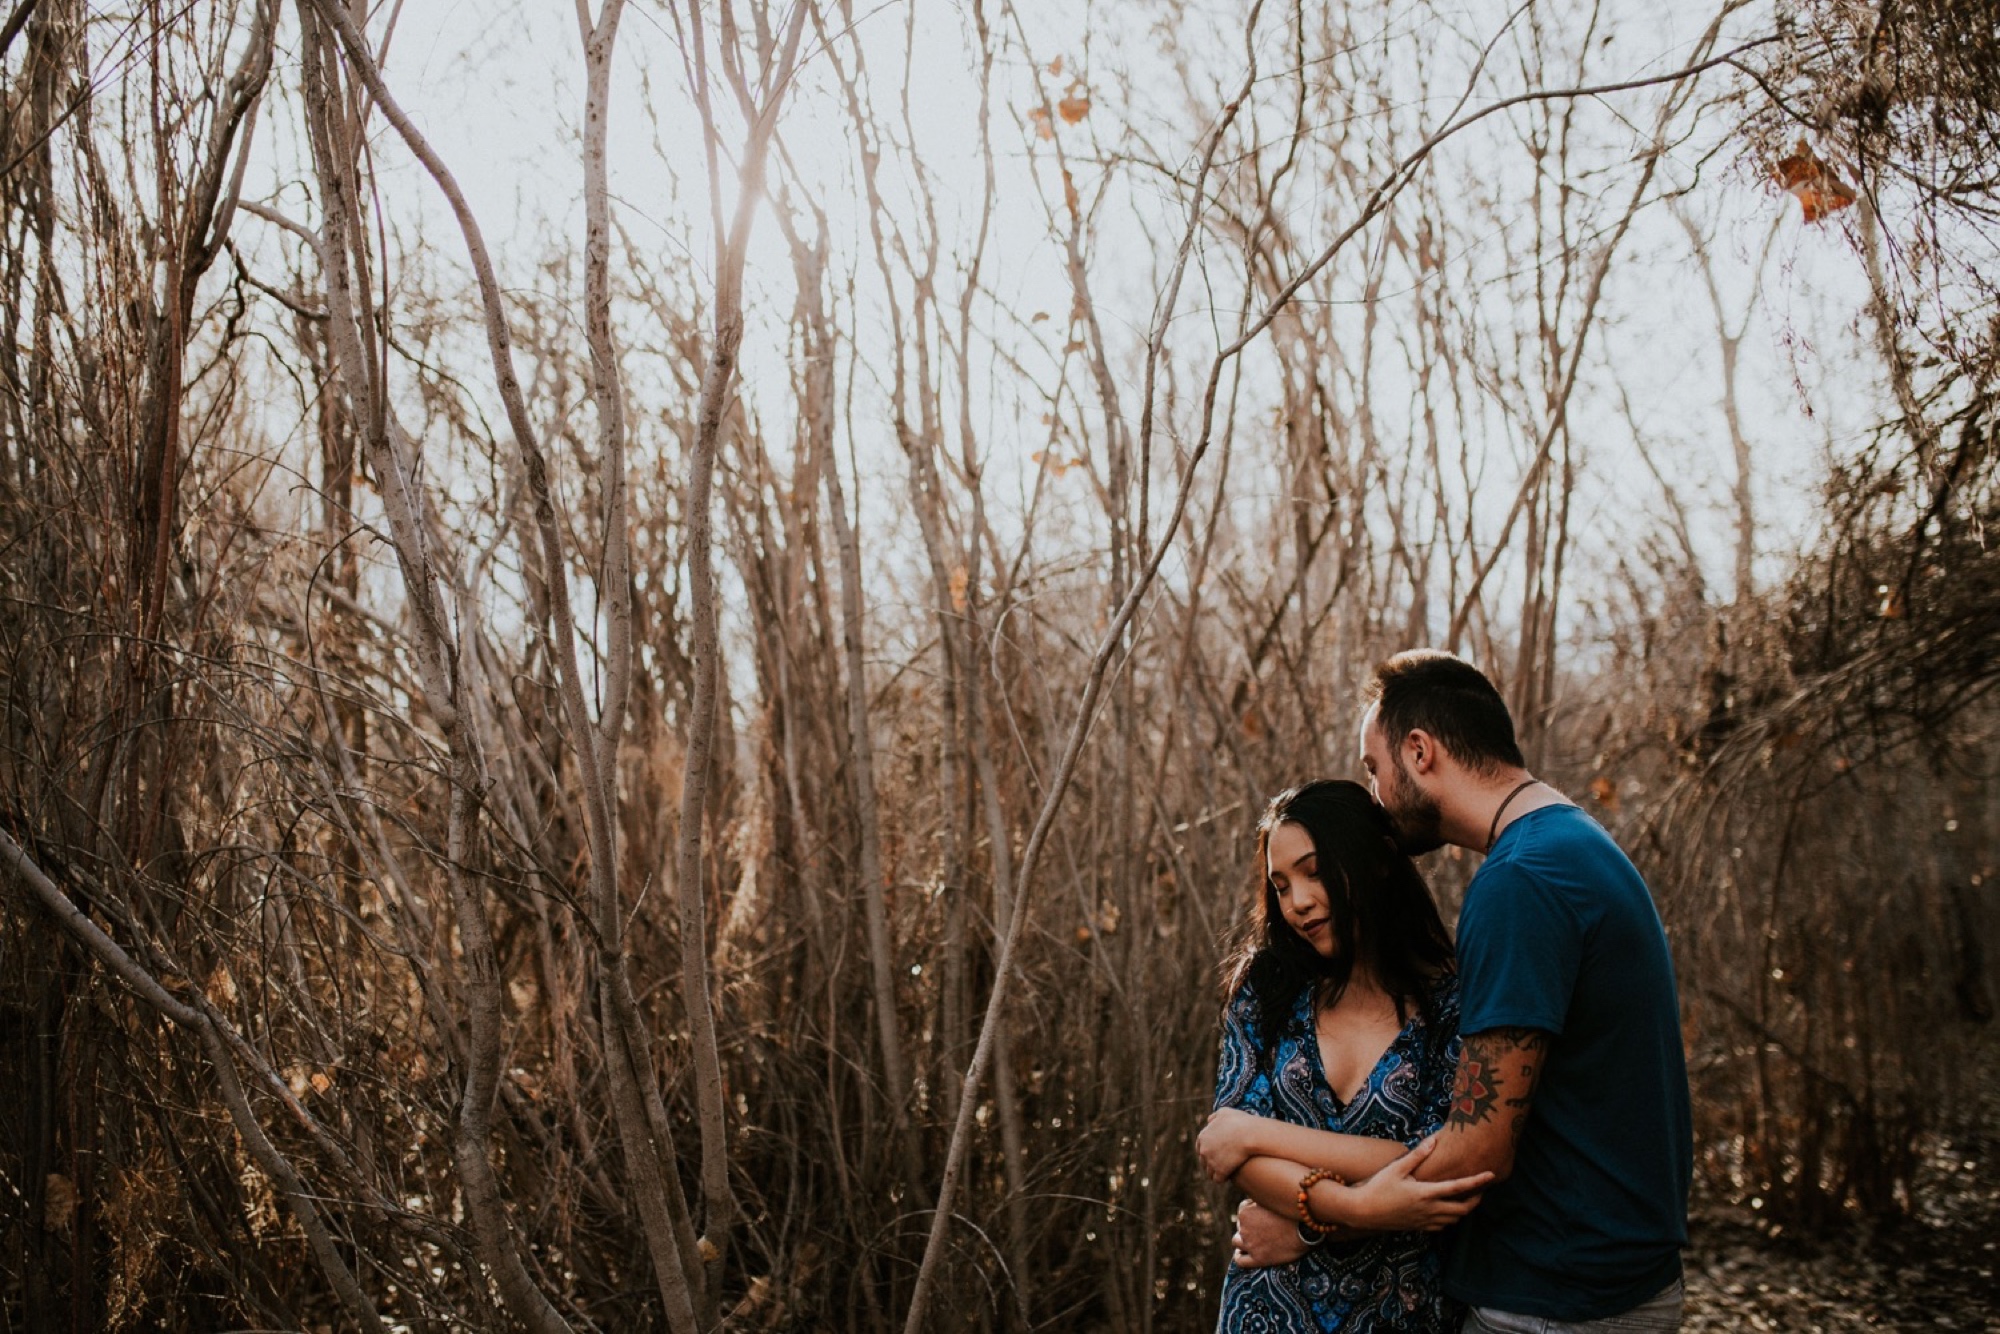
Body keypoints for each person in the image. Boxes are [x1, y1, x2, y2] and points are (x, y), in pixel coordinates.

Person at [1345, 649, 1693, 1331]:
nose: (1376, 798)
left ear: (1420, 752)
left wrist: (1315, 1220)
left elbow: (1479, 1149)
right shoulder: (1573, 842)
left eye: (1374, 770)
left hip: (1556, 1301)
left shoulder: (1522, 881)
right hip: (1604, 1285)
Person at [1199, 779, 1492, 1333]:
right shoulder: (1266, 991)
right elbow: (1231, 1156)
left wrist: (1263, 1140)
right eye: (1280, 886)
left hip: (1402, 1310)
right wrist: (1359, 1209)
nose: (1298, 902)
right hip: (1267, 1310)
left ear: (1377, 861)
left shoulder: (1453, 1003)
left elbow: (1434, 1160)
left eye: (1314, 872)